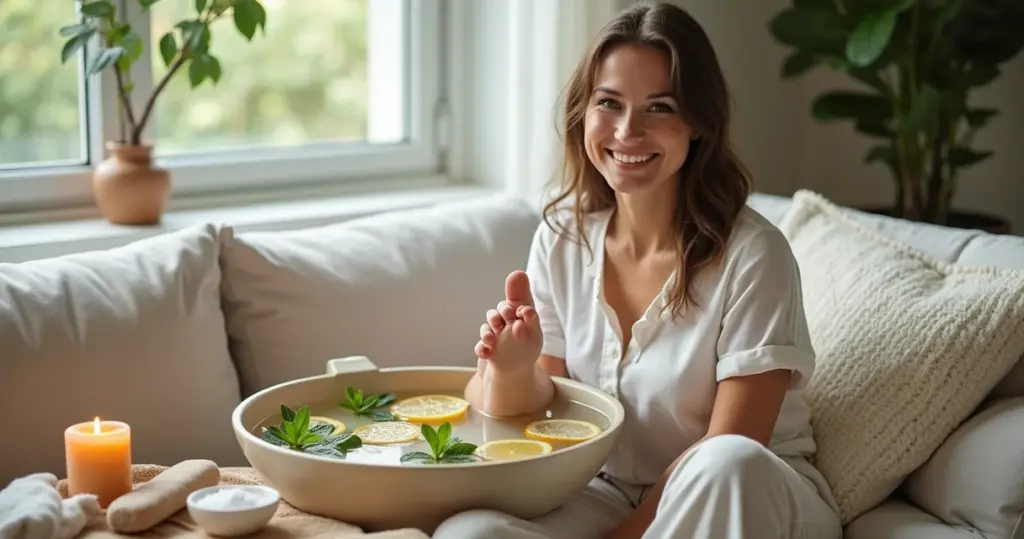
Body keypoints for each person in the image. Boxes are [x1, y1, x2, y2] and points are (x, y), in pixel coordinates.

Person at [432, 3, 842, 539]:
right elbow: (552, 418)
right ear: (586, 111)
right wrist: (511, 370)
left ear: (697, 122)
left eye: (659, 107)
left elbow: (735, 441)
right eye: (610, 103)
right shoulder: (562, 238)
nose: (628, 131)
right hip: (611, 490)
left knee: (725, 464)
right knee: (472, 533)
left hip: (751, 496)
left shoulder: (754, 255)